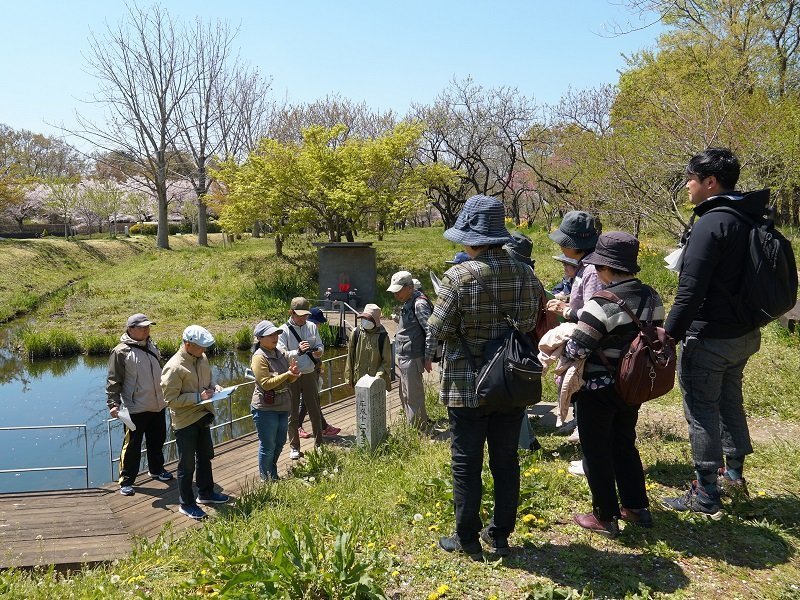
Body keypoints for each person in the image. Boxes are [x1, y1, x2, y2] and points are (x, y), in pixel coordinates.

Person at [428, 194, 539, 559]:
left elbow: (438, 329)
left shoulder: (457, 277)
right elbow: (532, 320)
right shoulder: (526, 273)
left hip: (467, 382)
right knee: (506, 459)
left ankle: (468, 539)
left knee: (466, 460)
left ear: (470, 237)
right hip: (510, 380)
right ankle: (501, 534)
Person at [662, 148, 766, 517]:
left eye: (691, 178)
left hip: (710, 337)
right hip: (744, 335)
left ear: (710, 182)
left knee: (701, 410)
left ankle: (706, 494)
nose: (687, 186)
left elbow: (690, 291)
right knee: (729, 401)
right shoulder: (748, 217)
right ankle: (734, 477)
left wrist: (668, 335)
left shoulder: (711, 222)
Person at [563, 232, 665, 535]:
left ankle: (604, 516)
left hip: (598, 388)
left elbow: (577, 349)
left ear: (605, 268)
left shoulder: (601, 303)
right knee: (624, 444)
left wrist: (565, 341)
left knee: (596, 450)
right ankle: (636, 507)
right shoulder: (652, 297)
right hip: (632, 385)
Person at [544, 211, 601, 444]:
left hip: (587, 343)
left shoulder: (590, 271)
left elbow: (593, 312)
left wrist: (566, 310)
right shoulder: (584, 267)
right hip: (582, 338)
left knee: (584, 388)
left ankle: (586, 439)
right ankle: (581, 429)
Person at [161, 325, 229, 520]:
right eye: (201, 346)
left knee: (206, 456)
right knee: (186, 464)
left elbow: (206, 382)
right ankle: (186, 503)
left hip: (202, 415)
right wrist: (198, 397)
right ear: (187, 344)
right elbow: (170, 400)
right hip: (185, 421)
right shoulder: (174, 367)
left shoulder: (202, 358)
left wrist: (214, 387)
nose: (204, 350)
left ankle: (206, 494)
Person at [106, 313, 172, 496]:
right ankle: (126, 480)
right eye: (142, 327)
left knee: (157, 440)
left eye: (148, 326)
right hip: (134, 408)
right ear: (130, 329)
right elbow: (113, 380)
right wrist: (113, 403)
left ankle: (157, 470)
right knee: (132, 446)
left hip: (158, 404)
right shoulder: (120, 352)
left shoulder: (152, 345)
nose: (146, 330)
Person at [502, 232, 544, 452]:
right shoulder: (530, 275)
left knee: (512, 398)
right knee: (517, 397)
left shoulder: (515, 275)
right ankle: (528, 442)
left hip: (512, 344)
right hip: (526, 343)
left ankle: (524, 445)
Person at [250, 320, 301, 481]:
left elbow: (289, 381)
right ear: (259, 338)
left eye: (276, 334)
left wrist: (293, 375)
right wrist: (287, 374)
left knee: (280, 442)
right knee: (268, 445)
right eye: (270, 335)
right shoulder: (259, 357)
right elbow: (265, 384)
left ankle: (272, 473)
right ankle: (267, 478)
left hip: (283, 404)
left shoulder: (281, 353)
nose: (274, 337)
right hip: (265, 408)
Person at [387, 270, 436, 429]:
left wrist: (428, 358)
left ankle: (419, 430)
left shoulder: (419, 304)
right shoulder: (408, 301)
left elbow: (431, 331)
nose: (396, 295)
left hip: (413, 357)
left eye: (398, 291)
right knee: (405, 394)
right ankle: (415, 426)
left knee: (413, 396)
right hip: (404, 356)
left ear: (409, 287)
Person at [279, 297, 326, 459]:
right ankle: (294, 447)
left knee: (314, 410)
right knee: (292, 413)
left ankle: (319, 443)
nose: (303, 318)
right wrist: (297, 352)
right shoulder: (283, 330)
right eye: (299, 315)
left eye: (305, 315)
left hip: (309, 373)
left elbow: (320, 345)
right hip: (292, 375)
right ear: (291, 312)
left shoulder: (312, 326)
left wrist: (319, 351)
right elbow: (281, 355)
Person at [297, 307, 340, 439]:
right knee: (308, 401)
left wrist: (319, 367)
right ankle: (300, 426)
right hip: (304, 372)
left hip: (313, 371)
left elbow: (318, 351)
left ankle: (322, 426)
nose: (320, 325)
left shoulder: (312, 332)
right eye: (318, 322)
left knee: (312, 400)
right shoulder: (303, 333)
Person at [344, 303, 392, 390]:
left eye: (368, 318)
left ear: (375, 320)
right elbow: (350, 357)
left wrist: (378, 377)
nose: (365, 320)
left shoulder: (383, 337)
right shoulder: (356, 333)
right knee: (361, 402)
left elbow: (386, 362)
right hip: (359, 379)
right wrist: (348, 378)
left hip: (377, 381)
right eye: (363, 318)